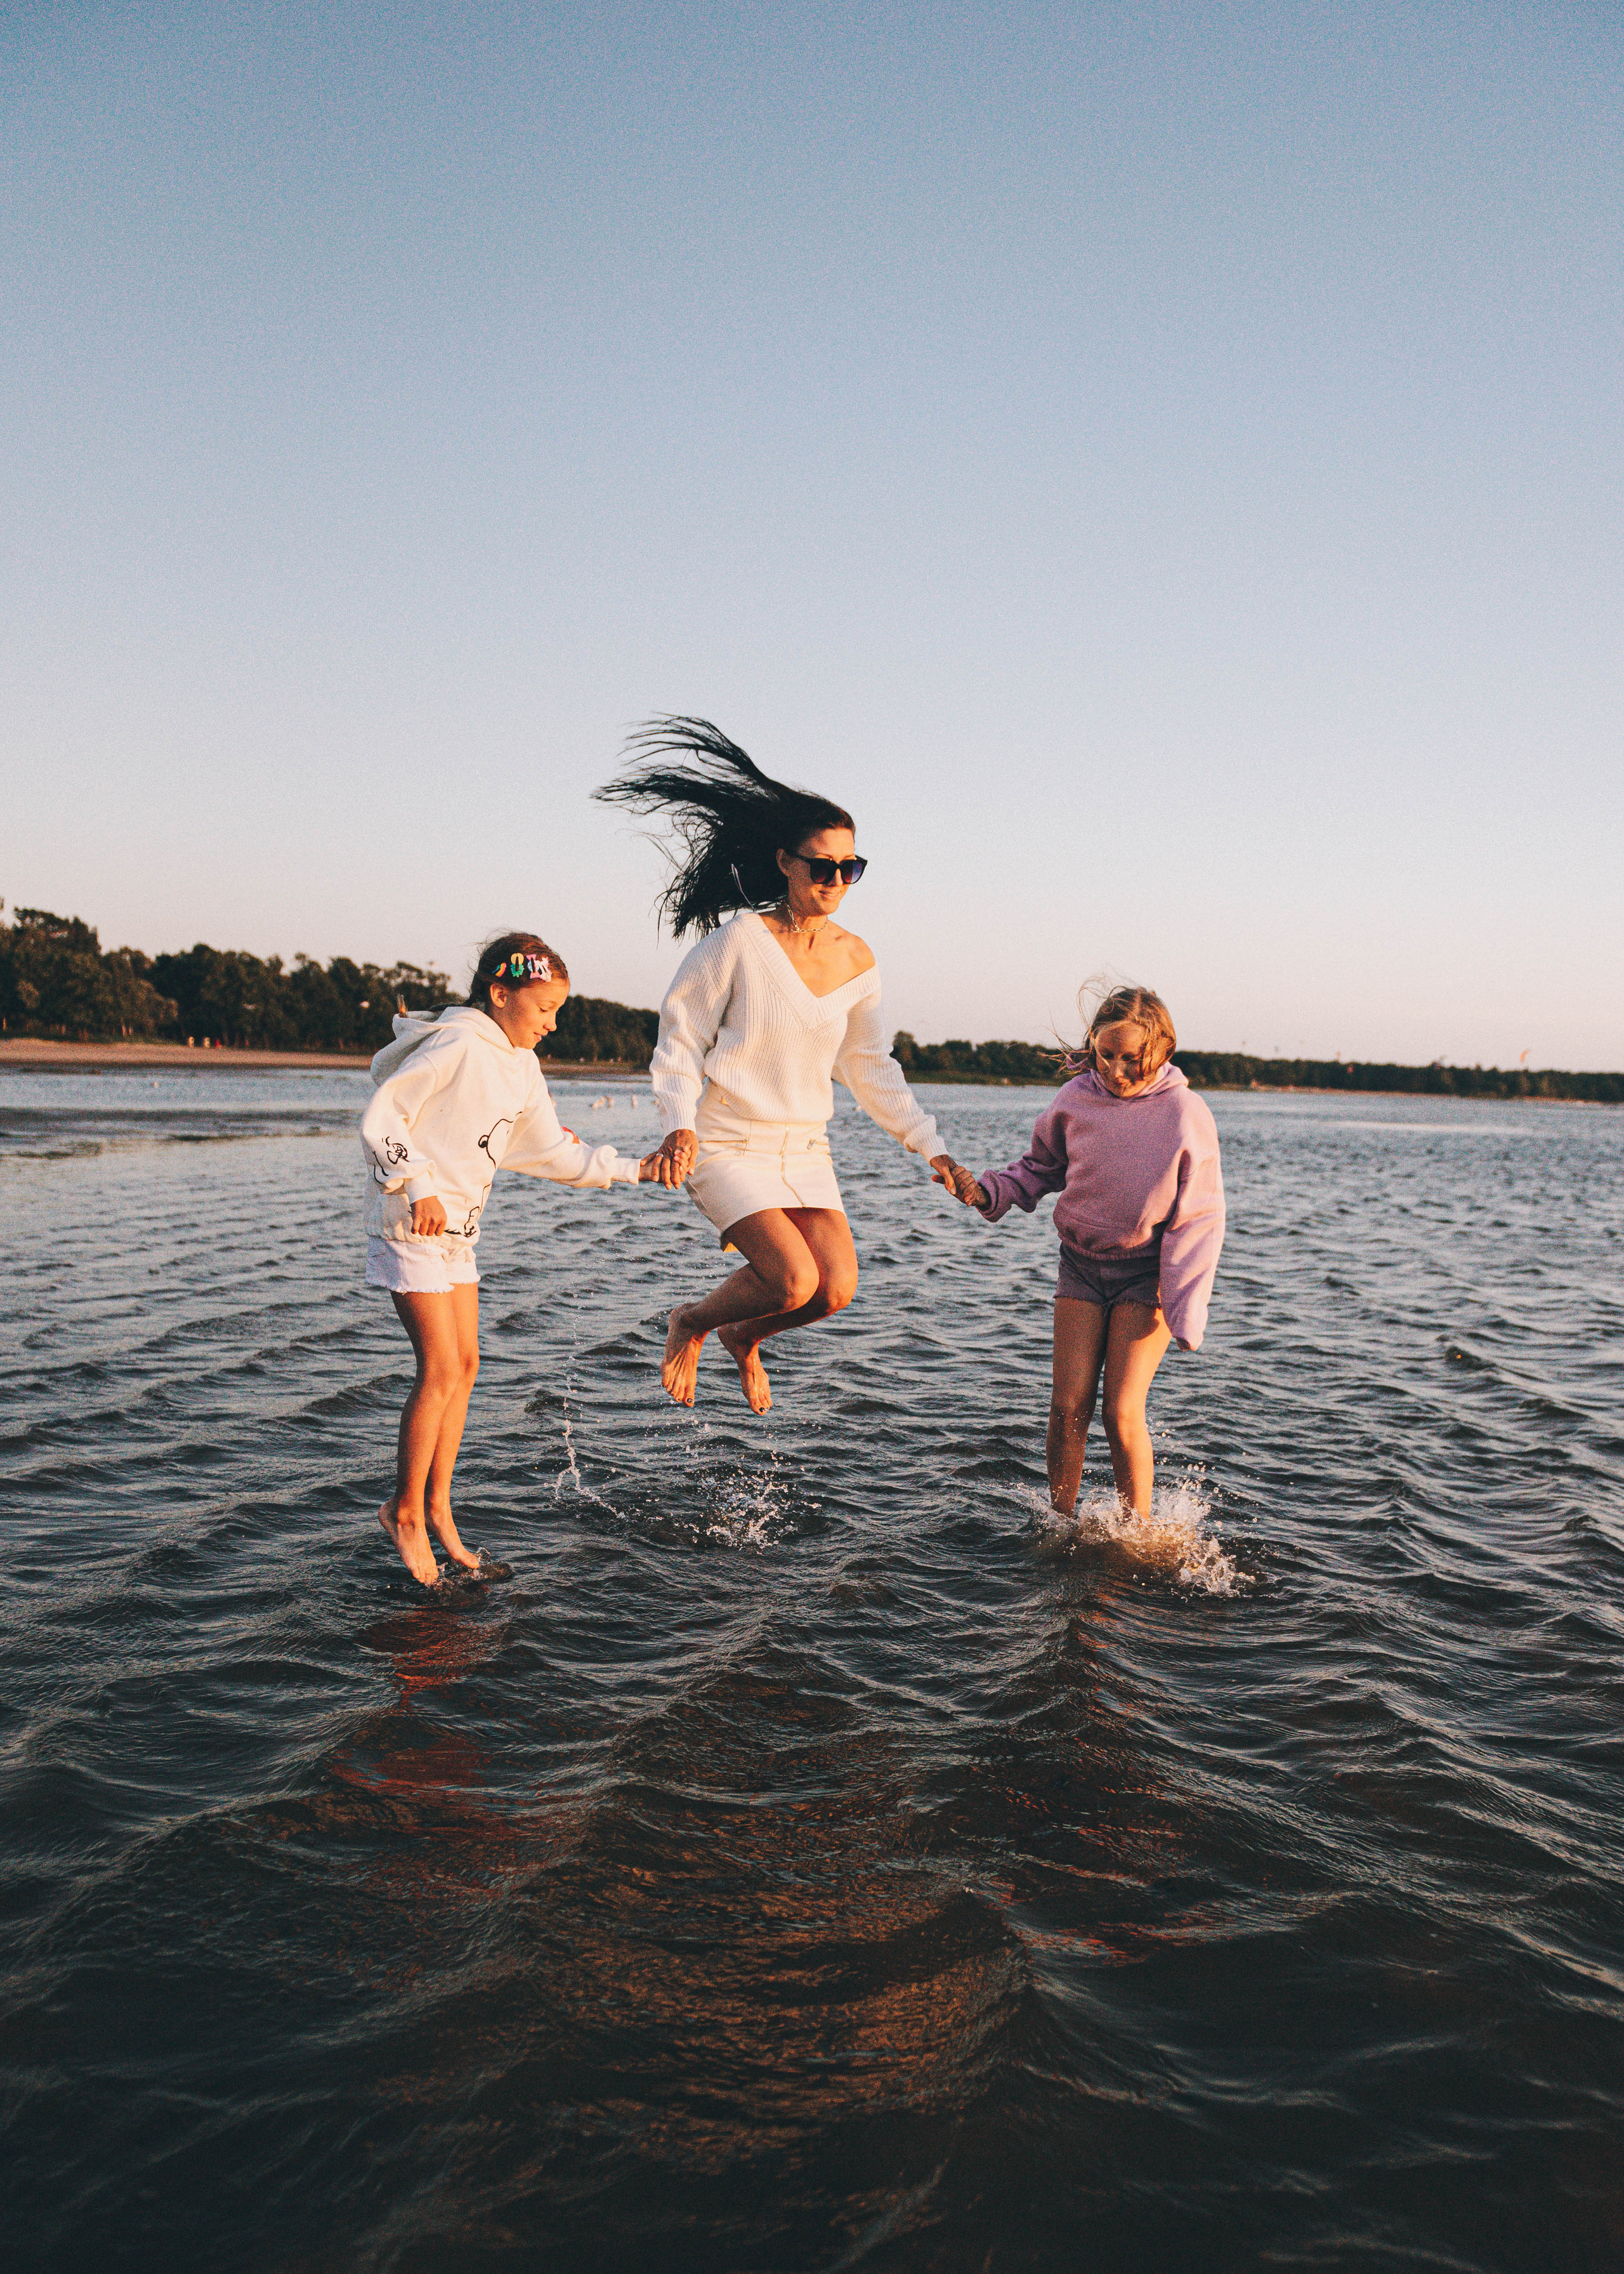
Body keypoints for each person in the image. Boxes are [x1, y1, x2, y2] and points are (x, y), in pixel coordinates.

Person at [594, 717, 973, 1411]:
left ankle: (744, 1335)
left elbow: (869, 1065)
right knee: (792, 1277)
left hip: (804, 1145)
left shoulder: (858, 958)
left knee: (834, 1289)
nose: (835, 880)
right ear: (784, 863)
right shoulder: (739, 940)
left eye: (849, 869)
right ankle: (691, 1321)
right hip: (726, 1141)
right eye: (821, 866)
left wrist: (933, 1146)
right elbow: (678, 1040)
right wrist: (678, 1125)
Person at [360, 933, 664, 1586]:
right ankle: (403, 1510)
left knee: (466, 1366)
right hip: (411, 1225)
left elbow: (551, 1151)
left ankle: (439, 1505)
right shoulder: (459, 1043)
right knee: (439, 1367)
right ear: (500, 994)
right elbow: (385, 1116)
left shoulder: (520, 1065)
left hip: (459, 1236)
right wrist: (418, 1184)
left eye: (559, 1010)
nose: (552, 1024)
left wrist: (636, 1169)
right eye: (544, 1008)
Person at [945, 984, 1224, 1518]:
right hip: (1081, 1266)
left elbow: (1201, 1217)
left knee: (1121, 1413)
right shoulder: (1076, 1098)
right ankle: (1060, 1519)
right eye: (1106, 1055)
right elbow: (1041, 1167)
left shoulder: (1185, 1113)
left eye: (1132, 1059)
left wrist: (1187, 1309)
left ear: (1163, 1050)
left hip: (1147, 1276)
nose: (1116, 1071)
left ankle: (1137, 1531)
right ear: (1093, 1046)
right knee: (1068, 1407)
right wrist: (987, 1191)